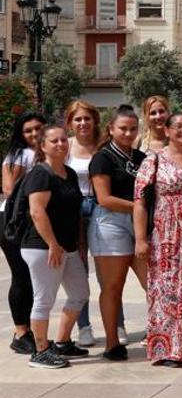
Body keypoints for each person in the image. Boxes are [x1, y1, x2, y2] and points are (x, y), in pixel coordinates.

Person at [134, 112, 182, 366]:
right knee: (168, 291)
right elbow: (140, 201)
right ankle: (170, 348)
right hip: (167, 236)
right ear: (167, 130)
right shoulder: (154, 160)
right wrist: (140, 238)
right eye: (178, 127)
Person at [19, 126, 88, 369]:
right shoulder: (40, 174)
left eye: (63, 140)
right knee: (44, 299)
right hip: (43, 247)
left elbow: (74, 211)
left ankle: (61, 342)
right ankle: (40, 351)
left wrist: (77, 241)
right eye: (54, 140)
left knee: (80, 293)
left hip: (66, 246)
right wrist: (52, 244)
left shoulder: (68, 173)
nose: (60, 144)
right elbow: (37, 212)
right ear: (43, 146)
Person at [88, 106, 148, 360]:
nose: (128, 133)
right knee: (113, 286)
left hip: (139, 224)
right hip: (111, 223)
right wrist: (138, 207)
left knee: (152, 283)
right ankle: (112, 343)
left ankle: (161, 335)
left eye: (133, 128)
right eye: (123, 128)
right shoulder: (102, 157)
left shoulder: (141, 157)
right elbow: (104, 198)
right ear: (111, 129)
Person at [2, 112, 45, 356]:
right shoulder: (20, 155)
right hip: (12, 220)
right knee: (21, 276)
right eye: (28, 131)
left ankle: (27, 329)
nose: (34, 134)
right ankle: (20, 332)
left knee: (31, 277)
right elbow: (9, 189)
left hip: (30, 221)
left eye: (38, 128)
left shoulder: (42, 154)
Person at [64, 101, 103, 348]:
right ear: (70, 122)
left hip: (101, 208)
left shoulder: (103, 146)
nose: (82, 123)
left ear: (94, 120)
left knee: (107, 271)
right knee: (79, 273)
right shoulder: (63, 146)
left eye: (87, 118)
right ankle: (84, 326)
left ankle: (117, 323)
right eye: (77, 119)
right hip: (73, 211)